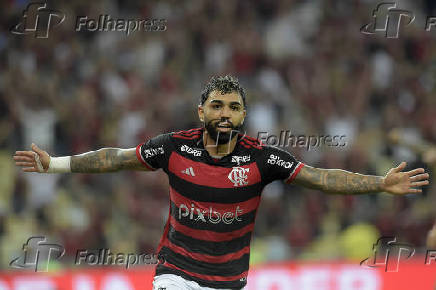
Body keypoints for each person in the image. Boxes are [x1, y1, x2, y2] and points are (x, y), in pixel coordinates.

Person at [14, 76, 430, 290]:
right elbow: (115, 159)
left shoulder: (262, 158)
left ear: (244, 115)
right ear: (201, 112)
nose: (225, 112)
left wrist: (380, 183)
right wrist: (55, 165)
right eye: (217, 105)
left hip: (229, 282)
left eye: (234, 106)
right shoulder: (174, 148)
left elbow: (322, 179)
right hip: (175, 273)